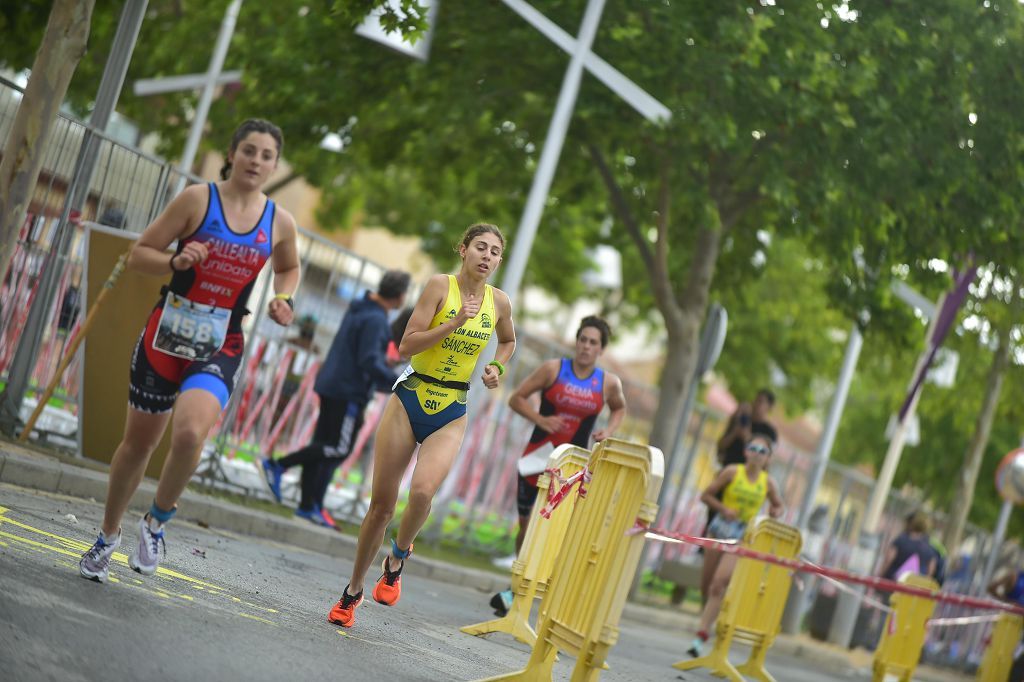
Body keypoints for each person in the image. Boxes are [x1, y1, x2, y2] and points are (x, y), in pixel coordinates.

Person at [78, 119, 299, 583]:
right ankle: (108, 534)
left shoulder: (280, 221)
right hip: (167, 334)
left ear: (275, 164)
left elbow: (289, 266)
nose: (256, 161)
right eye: (249, 151)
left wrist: (285, 298)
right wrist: (175, 261)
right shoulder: (198, 200)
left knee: (190, 433)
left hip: (222, 341)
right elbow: (139, 254)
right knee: (139, 443)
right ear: (232, 152)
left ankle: (156, 522)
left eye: (266, 155)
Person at [326, 223, 516, 628]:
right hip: (411, 395)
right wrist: (453, 324)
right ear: (463, 249)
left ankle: (397, 558)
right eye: (480, 247)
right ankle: (353, 591)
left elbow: (508, 340)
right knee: (381, 507)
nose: (487, 256)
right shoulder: (438, 287)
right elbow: (407, 345)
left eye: (495, 252)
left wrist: (497, 365)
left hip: (452, 406)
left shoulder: (499, 302)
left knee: (425, 491)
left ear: (499, 260)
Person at [489, 315, 626, 617]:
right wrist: (541, 419)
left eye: (593, 343)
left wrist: (609, 431)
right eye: (583, 340)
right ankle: (516, 586)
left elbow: (619, 408)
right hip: (538, 457)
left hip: (574, 469)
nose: (586, 347)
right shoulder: (553, 370)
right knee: (527, 526)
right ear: (576, 341)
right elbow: (516, 398)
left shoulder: (607, 383)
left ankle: (545, 596)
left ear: (601, 349)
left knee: (560, 532)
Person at [262, 270, 412, 528]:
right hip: (348, 390)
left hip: (333, 383)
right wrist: (394, 382)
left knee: (322, 446)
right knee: (339, 447)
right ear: (399, 296)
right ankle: (278, 465)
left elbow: (362, 352)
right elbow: (368, 359)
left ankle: (309, 505)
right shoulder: (376, 318)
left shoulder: (361, 308)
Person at [687, 434, 783, 658]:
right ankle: (708, 619)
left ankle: (701, 636)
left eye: (763, 452)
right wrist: (723, 509)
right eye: (753, 449)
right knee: (708, 585)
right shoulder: (732, 471)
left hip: (743, 535)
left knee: (720, 582)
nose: (757, 454)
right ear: (745, 452)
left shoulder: (768, 483)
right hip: (719, 529)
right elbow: (705, 495)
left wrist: (775, 512)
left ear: (768, 459)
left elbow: (779, 506)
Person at [717, 389, 777, 467]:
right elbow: (721, 445)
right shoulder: (742, 419)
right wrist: (735, 432)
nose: (756, 404)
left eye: (760, 401)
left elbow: (765, 459)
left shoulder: (769, 432)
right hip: (727, 466)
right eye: (756, 400)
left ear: (769, 407)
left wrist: (747, 437)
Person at [879, 511, 938, 585]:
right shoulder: (930, 546)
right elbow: (931, 569)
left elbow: (888, 559)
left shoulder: (902, 540)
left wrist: (880, 576)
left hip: (893, 583)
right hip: (913, 588)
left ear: (911, 523)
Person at [988, 565, 1024, 681]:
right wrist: (1008, 603)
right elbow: (991, 588)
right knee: (1007, 660)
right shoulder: (1015, 576)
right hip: (1010, 627)